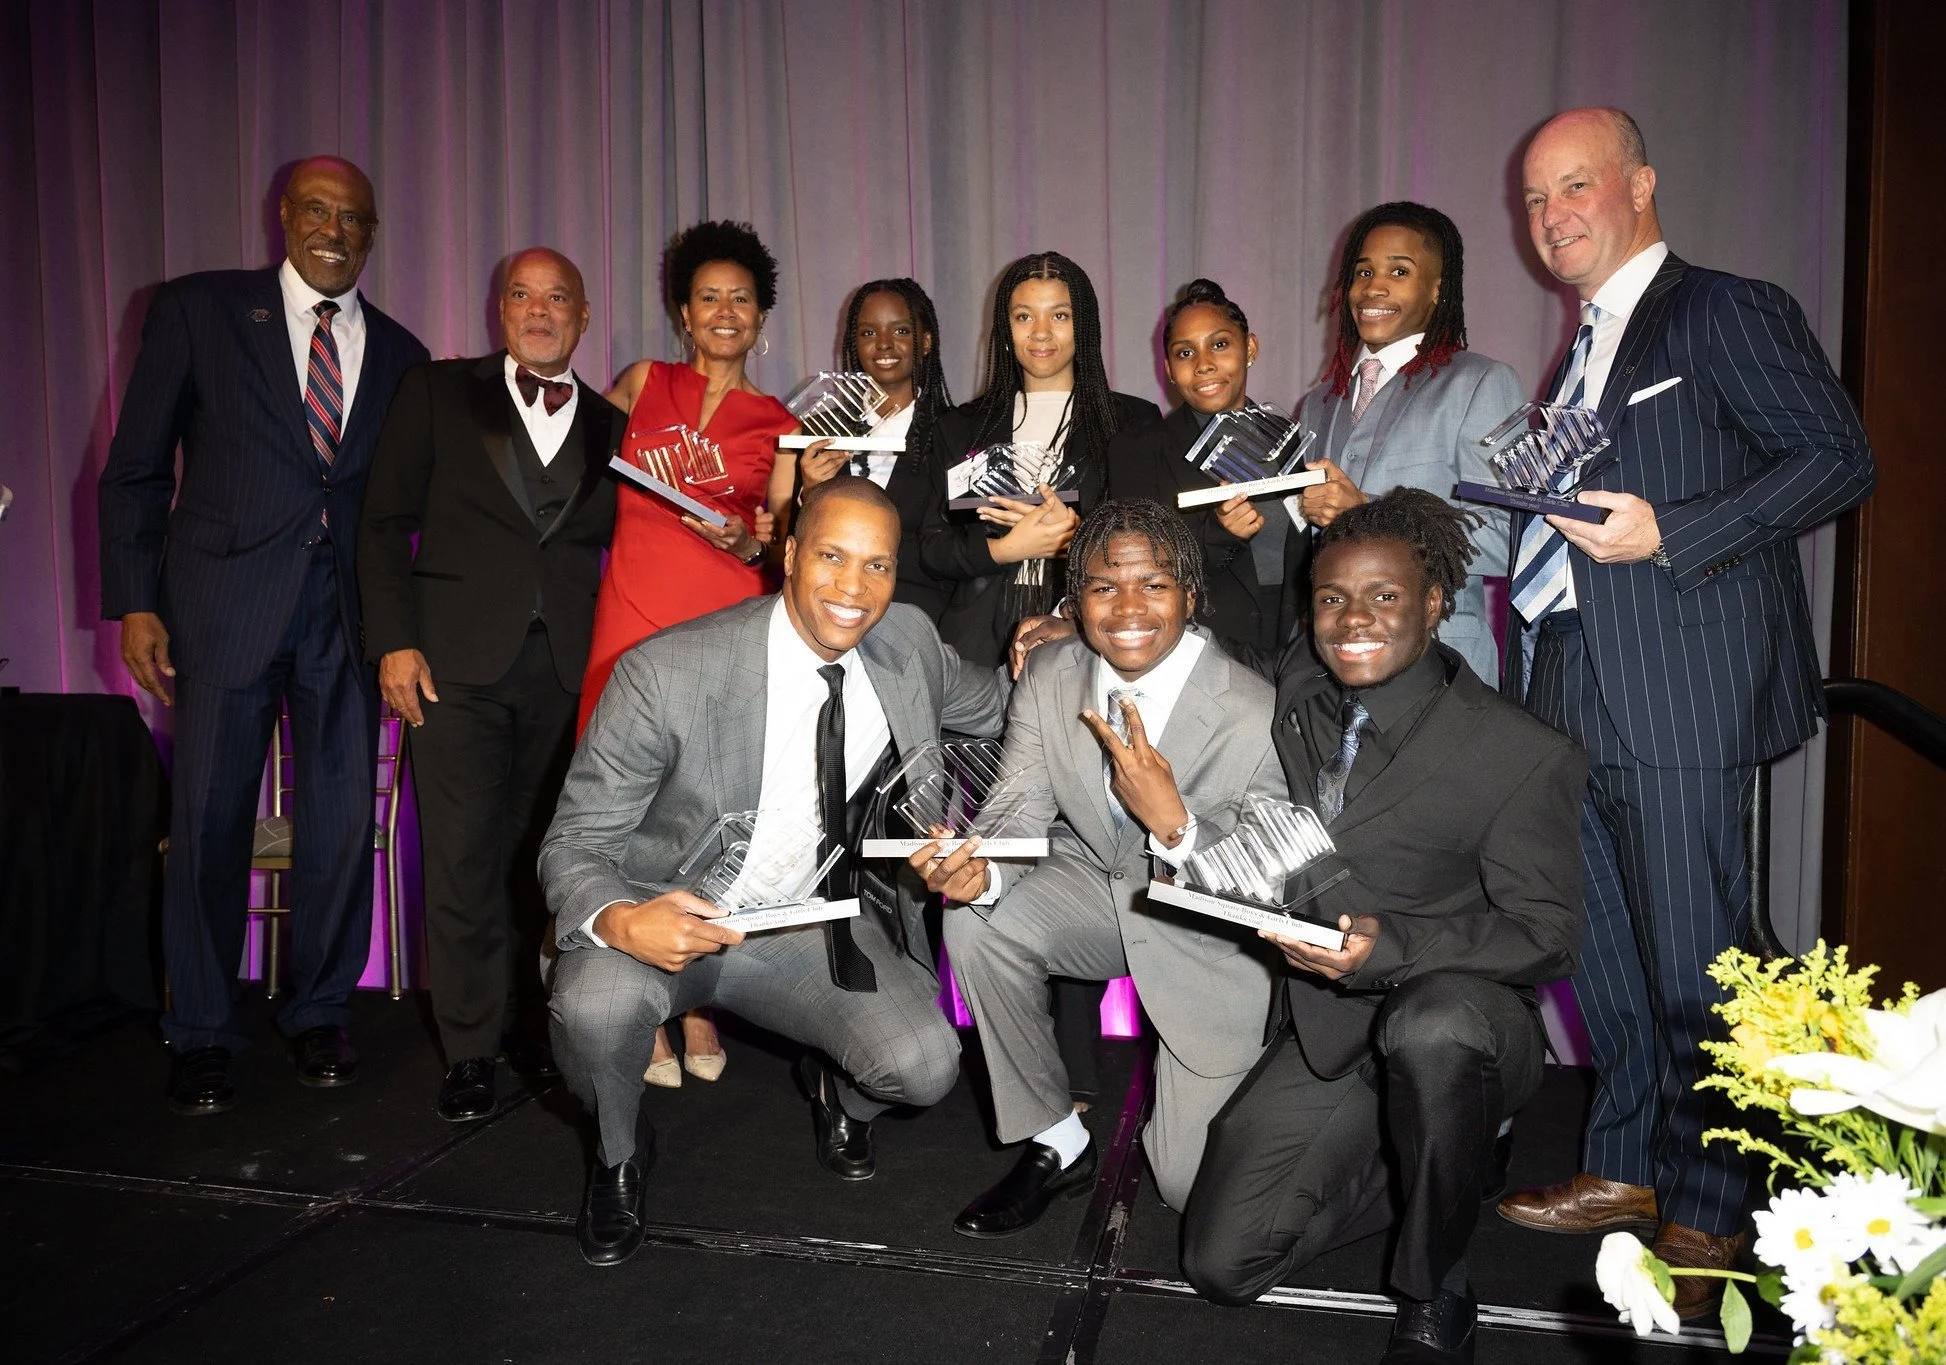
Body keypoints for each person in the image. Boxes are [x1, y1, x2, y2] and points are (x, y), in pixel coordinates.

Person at [1492, 108, 1875, 1318]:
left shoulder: (1721, 309)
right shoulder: (1576, 353)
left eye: (1573, 187)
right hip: (1566, 674)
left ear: (1640, 183)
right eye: (1534, 199)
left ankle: (1711, 1201)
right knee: (1601, 949)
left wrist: (1676, 532)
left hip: (1678, 682)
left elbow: (1838, 457)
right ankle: (1623, 1163)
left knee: (1701, 959)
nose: (1550, 215)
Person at [540, 478, 1008, 1268]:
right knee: (594, 1010)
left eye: (878, 565)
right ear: (789, 555)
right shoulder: (668, 670)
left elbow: (1001, 704)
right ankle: (619, 1151)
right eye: (831, 556)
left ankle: (834, 1090)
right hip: (668, 912)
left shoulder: (909, 644)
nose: (854, 587)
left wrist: (1060, 641)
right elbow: (572, 841)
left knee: (926, 1066)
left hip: (807, 924)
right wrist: (621, 920)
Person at [1179, 488, 1586, 1365]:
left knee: (1430, 1027)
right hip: (1334, 1026)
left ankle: (1435, 1284)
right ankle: (1441, 1164)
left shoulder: (1521, 751)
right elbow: (1224, 656)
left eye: (1385, 595)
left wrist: (1393, 948)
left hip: (1465, 1023)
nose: (1353, 618)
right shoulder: (1304, 683)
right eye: (1332, 597)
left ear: (1435, 601)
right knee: (1221, 1265)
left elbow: (1549, 933)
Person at [97, 156, 429, 1115]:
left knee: (339, 826)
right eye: (318, 210)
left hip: (345, 620)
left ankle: (320, 1010)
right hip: (221, 607)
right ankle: (202, 1028)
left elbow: (398, 507)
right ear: (284, 216)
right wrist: (136, 601)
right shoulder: (200, 310)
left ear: (372, 233)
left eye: (353, 218)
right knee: (209, 821)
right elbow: (135, 466)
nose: (335, 230)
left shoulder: (403, 353)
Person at [911, 499, 1283, 1235]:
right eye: (1104, 587)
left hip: (1203, 931)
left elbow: (1267, 873)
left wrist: (1175, 824)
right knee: (977, 921)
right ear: (1075, 600)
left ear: (1190, 595)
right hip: (1092, 888)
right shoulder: (1052, 672)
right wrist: (983, 871)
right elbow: (1017, 806)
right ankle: (1057, 1139)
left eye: (1154, 585)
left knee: (1187, 1189)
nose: (1128, 608)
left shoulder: (1253, 706)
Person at [356, 248, 623, 1122]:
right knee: (462, 859)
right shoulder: (437, 392)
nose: (539, 311)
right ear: (498, 309)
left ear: (583, 316)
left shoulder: (613, 425)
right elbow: (382, 522)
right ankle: (470, 1047)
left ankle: (532, 1026)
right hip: (451, 669)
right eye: (522, 295)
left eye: (557, 297)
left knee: (545, 862)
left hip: (568, 673)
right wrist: (395, 643)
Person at [578, 219, 798, 735]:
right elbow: (567, 450)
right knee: (611, 755)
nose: (725, 311)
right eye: (708, 298)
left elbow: (785, 550)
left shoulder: (783, 426)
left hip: (723, 613)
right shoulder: (642, 381)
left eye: (740, 299)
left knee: (707, 763)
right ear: (686, 313)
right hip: (628, 609)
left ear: (760, 316)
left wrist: (749, 545)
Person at [1293, 203, 1524, 688]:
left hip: (1442, 668)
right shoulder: (1317, 403)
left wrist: (1368, 509)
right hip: (1334, 670)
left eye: (1399, 272)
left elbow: (1511, 539)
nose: (1374, 287)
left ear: (1438, 289)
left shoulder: (1480, 383)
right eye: (1363, 272)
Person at [918, 251, 1162, 669]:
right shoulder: (962, 427)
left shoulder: (1131, 421)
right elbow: (933, 547)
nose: (1041, 333)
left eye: (1060, 316)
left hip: (1088, 638)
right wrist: (1005, 549)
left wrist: (1076, 539)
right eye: (1024, 317)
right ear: (1005, 327)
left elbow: (1153, 543)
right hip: (975, 645)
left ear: (1084, 326)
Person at [1107, 279, 1306, 653]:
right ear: (1169, 368)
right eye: (1185, 353)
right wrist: (1218, 533)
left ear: (1250, 348)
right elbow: (1137, 569)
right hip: (1205, 646)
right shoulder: (1138, 450)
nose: (1203, 365)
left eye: (1219, 345)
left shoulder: (1288, 436)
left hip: (1298, 642)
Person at [796, 278, 956, 619]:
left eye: (901, 331)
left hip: (918, 617)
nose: (883, 344)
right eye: (868, 333)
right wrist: (810, 493)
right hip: (829, 611)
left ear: (926, 341)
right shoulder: (820, 430)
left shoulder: (954, 433)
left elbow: (951, 552)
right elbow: (798, 549)